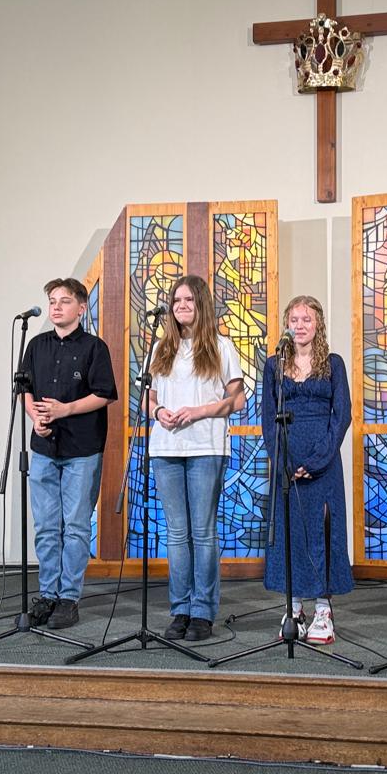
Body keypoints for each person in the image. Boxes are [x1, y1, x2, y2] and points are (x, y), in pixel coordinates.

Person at [149, 275, 245, 642]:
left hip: (206, 447)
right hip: (166, 448)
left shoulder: (221, 346)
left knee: (202, 532)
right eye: (176, 300)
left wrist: (199, 411)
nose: (181, 306)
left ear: (202, 304)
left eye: (188, 300)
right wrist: (159, 413)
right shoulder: (161, 348)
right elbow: (148, 399)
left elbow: (238, 399)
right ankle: (180, 609)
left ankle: (202, 611)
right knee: (176, 534)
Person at [20, 277, 118, 631]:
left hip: (82, 448)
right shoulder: (36, 345)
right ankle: (47, 594)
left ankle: (68, 598)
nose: (56, 307)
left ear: (81, 307)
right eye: (52, 301)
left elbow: (104, 394)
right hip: (44, 448)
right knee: (46, 526)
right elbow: (25, 389)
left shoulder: (94, 347)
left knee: (75, 526)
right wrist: (36, 418)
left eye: (64, 301)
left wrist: (66, 410)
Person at [260, 295, 353, 644]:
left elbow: (342, 416)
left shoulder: (333, 364)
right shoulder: (274, 365)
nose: (300, 326)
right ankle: (294, 608)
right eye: (294, 320)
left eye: (306, 319)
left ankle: (323, 610)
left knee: (323, 532)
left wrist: (317, 460)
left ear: (318, 325)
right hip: (286, 462)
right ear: (286, 324)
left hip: (323, 463)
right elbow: (267, 418)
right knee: (291, 532)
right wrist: (283, 462)